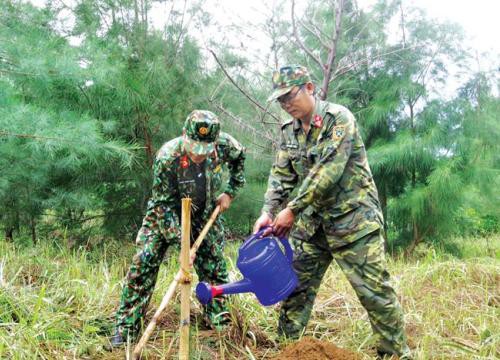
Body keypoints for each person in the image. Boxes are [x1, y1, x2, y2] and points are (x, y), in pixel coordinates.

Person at [253, 65, 411, 359]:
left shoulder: (338, 119)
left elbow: (329, 170)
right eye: (281, 100)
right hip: (314, 225)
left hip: (354, 222)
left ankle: (395, 354)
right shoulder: (288, 132)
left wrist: (291, 210)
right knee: (295, 290)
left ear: (310, 88)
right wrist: (268, 210)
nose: (286, 104)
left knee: (374, 293)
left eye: (290, 95)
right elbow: (281, 176)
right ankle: (289, 352)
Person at [108, 110, 246, 348]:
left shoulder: (226, 146)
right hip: (166, 212)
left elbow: (239, 159)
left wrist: (230, 192)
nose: (198, 155)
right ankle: (126, 327)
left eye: (205, 150)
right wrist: (183, 246)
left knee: (214, 265)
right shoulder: (167, 156)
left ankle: (220, 324)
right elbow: (162, 205)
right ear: (184, 135)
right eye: (194, 148)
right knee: (144, 261)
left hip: (204, 214)